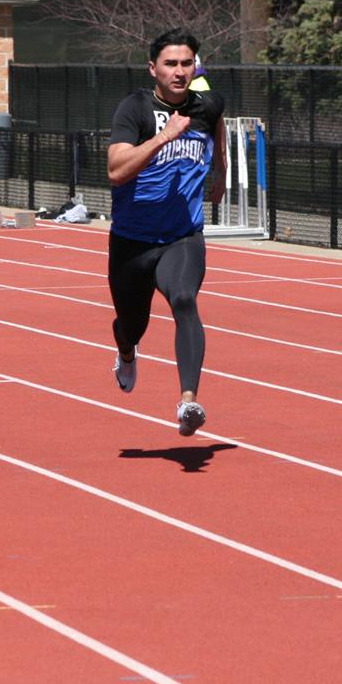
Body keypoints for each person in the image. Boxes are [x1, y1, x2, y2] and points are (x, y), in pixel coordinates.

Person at [106, 29, 227, 437]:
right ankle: (125, 349)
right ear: (153, 68)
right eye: (171, 64)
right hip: (132, 242)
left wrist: (221, 171)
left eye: (187, 63)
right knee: (131, 324)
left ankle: (188, 401)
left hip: (182, 235)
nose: (179, 72)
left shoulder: (206, 104)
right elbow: (116, 171)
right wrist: (164, 137)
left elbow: (218, 123)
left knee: (183, 298)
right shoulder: (134, 108)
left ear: (196, 66)